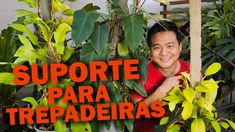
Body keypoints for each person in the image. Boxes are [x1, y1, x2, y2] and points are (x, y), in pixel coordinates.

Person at [130, 20, 190, 132]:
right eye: (157, 47)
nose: (163, 53)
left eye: (170, 46)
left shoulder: (192, 71)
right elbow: (134, 114)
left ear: (180, 46)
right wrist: (163, 90)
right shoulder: (139, 74)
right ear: (150, 50)